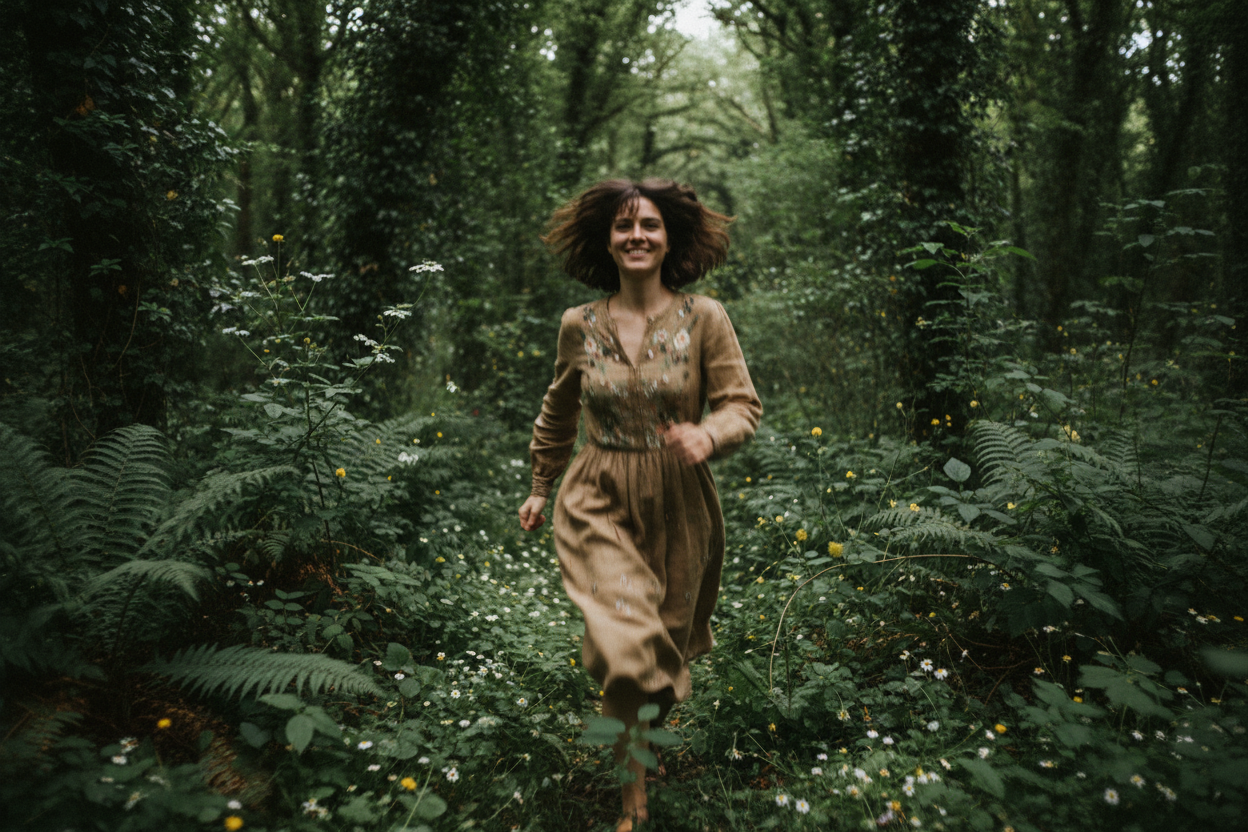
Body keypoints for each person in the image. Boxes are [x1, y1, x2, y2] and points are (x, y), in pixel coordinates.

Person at [517, 179, 761, 831]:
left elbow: (742, 406)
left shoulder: (705, 317)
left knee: (662, 656)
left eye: (649, 225)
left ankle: (637, 749)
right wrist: (542, 484)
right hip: (597, 495)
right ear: (607, 241)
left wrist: (709, 433)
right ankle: (633, 800)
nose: (636, 236)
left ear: (668, 239)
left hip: (679, 500)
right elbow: (559, 408)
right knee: (627, 640)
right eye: (624, 226)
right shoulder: (580, 325)